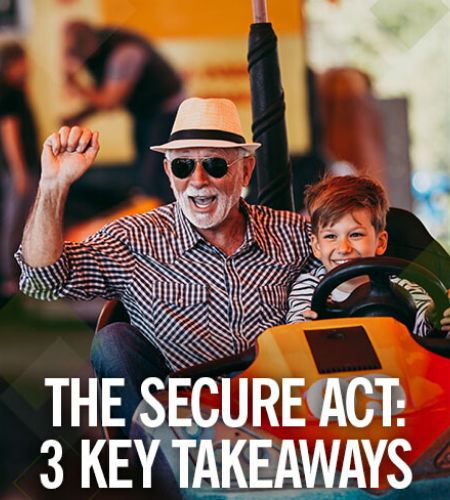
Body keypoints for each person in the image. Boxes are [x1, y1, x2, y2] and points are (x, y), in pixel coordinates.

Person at [16, 97, 317, 434]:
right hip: (182, 428)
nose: (198, 179)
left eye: (216, 165)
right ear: (168, 172)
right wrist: (53, 186)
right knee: (113, 340)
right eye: (183, 166)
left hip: (280, 416)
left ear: (246, 170)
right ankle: (151, 474)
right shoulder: (134, 238)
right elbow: (42, 280)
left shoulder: (293, 234)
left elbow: (355, 270)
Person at [287, 174, 450, 335]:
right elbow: (296, 332)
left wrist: (434, 315)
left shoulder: (402, 288)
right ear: (316, 246)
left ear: (380, 242)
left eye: (355, 235)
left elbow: (424, 336)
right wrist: (308, 327)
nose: (343, 248)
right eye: (331, 236)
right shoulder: (309, 288)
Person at [62, 20, 184, 203]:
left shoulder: (124, 52)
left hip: (167, 110)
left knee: (152, 173)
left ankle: (167, 218)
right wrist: (80, 115)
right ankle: (157, 211)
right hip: (145, 112)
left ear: (89, 46)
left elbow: (109, 100)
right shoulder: (99, 53)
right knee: (142, 170)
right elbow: (104, 96)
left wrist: (77, 86)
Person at [0, 42, 39, 302]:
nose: (28, 68)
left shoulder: (14, 92)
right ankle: (10, 278)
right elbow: (9, 132)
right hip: (19, 171)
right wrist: (19, 171)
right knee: (16, 224)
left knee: (21, 223)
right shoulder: (8, 93)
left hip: (23, 169)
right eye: (24, 62)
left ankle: (15, 275)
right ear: (12, 64)